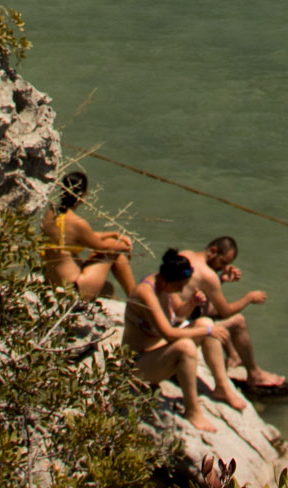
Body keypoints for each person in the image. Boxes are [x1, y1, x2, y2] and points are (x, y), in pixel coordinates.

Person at [123, 247, 246, 431]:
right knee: (189, 345)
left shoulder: (165, 284)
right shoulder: (145, 292)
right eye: (179, 287)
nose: (181, 290)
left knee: (204, 321)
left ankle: (222, 387)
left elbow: (178, 314)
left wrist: (192, 304)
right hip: (137, 364)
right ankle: (192, 410)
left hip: (159, 352)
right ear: (166, 281)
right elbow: (169, 333)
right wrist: (207, 331)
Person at [178, 236, 288, 395]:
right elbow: (225, 311)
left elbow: (198, 290)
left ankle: (233, 356)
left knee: (212, 310)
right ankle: (254, 374)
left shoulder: (185, 255)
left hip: (178, 315)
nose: (223, 267)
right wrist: (249, 298)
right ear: (213, 251)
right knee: (238, 321)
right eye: (223, 262)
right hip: (180, 328)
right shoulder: (208, 275)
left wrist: (221, 279)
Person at [39, 167, 136, 300]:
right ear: (83, 195)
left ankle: (131, 300)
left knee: (108, 289)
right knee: (114, 247)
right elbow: (103, 247)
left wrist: (111, 233)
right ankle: (136, 300)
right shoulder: (78, 223)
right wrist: (125, 247)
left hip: (53, 283)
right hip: (74, 287)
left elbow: (81, 237)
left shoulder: (50, 214)